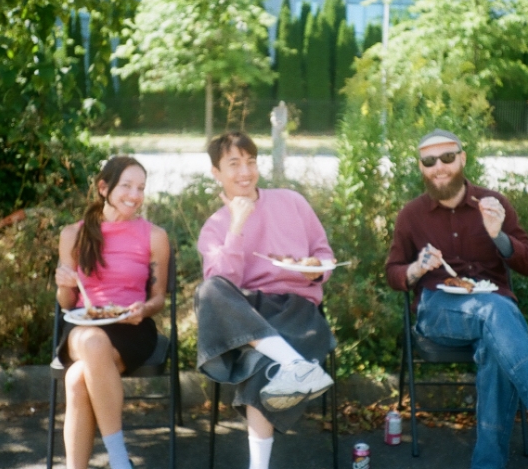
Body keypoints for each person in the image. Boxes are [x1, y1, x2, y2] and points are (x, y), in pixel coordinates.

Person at [385, 129, 528, 468]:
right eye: (429, 161)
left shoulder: (493, 204)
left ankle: (488, 464)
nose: (439, 167)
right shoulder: (411, 214)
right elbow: (393, 273)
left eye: (447, 157)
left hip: (495, 312)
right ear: (421, 167)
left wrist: (497, 235)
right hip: (437, 310)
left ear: (463, 158)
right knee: (497, 312)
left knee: (496, 339)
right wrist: (415, 268)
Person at [195, 131, 336, 469]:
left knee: (262, 366)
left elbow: (323, 252)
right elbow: (223, 285)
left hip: (296, 307)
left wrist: (315, 269)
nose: (245, 172)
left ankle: (290, 365)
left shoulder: (291, 201)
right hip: (247, 312)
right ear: (216, 172)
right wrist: (238, 223)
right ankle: (296, 364)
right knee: (208, 291)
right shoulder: (215, 227)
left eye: (251, 162)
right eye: (234, 164)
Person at [55, 156, 170, 469]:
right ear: (104, 188)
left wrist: (143, 308)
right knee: (93, 344)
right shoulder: (73, 235)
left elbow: (158, 299)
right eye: (127, 186)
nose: (135, 195)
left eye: (141, 188)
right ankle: (119, 460)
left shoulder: (154, 236)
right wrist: (64, 283)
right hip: (83, 325)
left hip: (131, 325)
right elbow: (67, 304)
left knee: (78, 378)